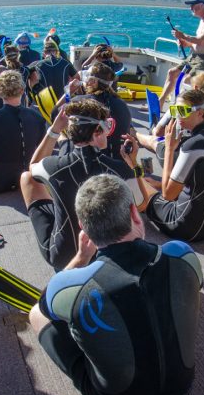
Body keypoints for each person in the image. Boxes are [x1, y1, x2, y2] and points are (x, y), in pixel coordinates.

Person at [27, 173, 203, 395]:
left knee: (36, 314)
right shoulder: (182, 253)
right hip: (182, 389)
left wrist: (80, 258)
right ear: (134, 212)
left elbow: (45, 305)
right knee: (184, 282)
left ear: (82, 227)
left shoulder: (70, 285)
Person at [21, 98, 150, 270]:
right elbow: (141, 204)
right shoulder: (120, 169)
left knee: (26, 178)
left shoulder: (52, 166)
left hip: (62, 256)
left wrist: (54, 130)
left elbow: (32, 167)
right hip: (107, 261)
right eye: (106, 128)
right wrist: (134, 165)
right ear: (98, 131)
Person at [146, 89, 204, 242]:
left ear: (200, 113)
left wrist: (170, 148)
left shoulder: (194, 144)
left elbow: (168, 195)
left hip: (184, 228)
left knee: (141, 186)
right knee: (154, 185)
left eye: (183, 111)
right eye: (174, 110)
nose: (178, 115)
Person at [159, 0, 204, 107]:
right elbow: (198, 43)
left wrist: (182, 35)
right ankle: (160, 103)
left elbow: (201, 40)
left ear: (202, 6)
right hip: (195, 56)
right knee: (172, 73)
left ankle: (183, 109)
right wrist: (185, 43)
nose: (191, 8)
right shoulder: (203, 20)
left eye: (193, 6)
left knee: (188, 80)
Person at [76, 61, 132, 156]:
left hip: (94, 160)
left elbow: (54, 115)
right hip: (119, 158)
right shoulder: (122, 103)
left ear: (93, 82)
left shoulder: (81, 102)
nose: (84, 80)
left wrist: (68, 92)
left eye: (87, 77)